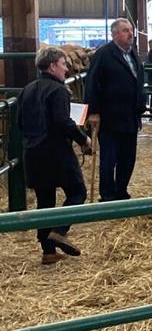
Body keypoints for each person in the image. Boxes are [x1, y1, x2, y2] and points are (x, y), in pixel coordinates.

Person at [17, 46, 92, 265]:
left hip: (32, 152)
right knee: (78, 191)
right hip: (56, 151)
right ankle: (59, 230)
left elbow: (20, 122)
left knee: (45, 200)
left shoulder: (27, 89)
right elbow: (62, 121)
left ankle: (48, 252)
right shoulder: (58, 90)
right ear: (52, 66)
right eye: (63, 65)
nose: (67, 69)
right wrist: (83, 139)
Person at [85, 18, 146, 201]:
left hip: (130, 116)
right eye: (125, 30)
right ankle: (108, 195)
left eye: (131, 30)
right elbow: (92, 83)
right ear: (115, 34)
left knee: (128, 158)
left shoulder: (133, 54)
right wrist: (94, 112)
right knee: (109, 159)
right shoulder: (104, 54)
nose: (130, 34)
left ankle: (121, 190)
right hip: (110, 117)